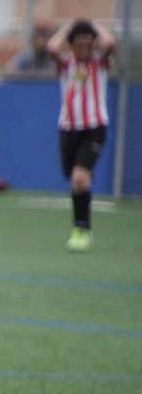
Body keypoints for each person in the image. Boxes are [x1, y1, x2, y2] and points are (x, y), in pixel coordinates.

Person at [47, 18, 116, 252]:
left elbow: (110, 42)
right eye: (80, 43)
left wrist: (94, 25)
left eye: (89, 43)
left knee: (79, 179)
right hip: (68, 129)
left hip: (94, 128)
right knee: (73, 178)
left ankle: (81, 230)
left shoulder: (101, 63)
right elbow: (52, 47)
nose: (85, 48)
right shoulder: (66, 65)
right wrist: (68, 26)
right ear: (73, 44)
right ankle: (84, 179)